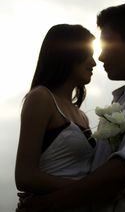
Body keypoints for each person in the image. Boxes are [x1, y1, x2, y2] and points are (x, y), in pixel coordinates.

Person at [17, 1, 125, 212]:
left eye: (106, 44)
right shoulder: (121, 101)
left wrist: (49, 203)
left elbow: (122, 171)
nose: (99, 58)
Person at [15, 24, 96, 212]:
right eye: (88, 55)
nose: (93, 63)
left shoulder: (82, 115)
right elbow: (25, 176)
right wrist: (88, 189)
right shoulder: (41, 98)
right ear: (67, 55)